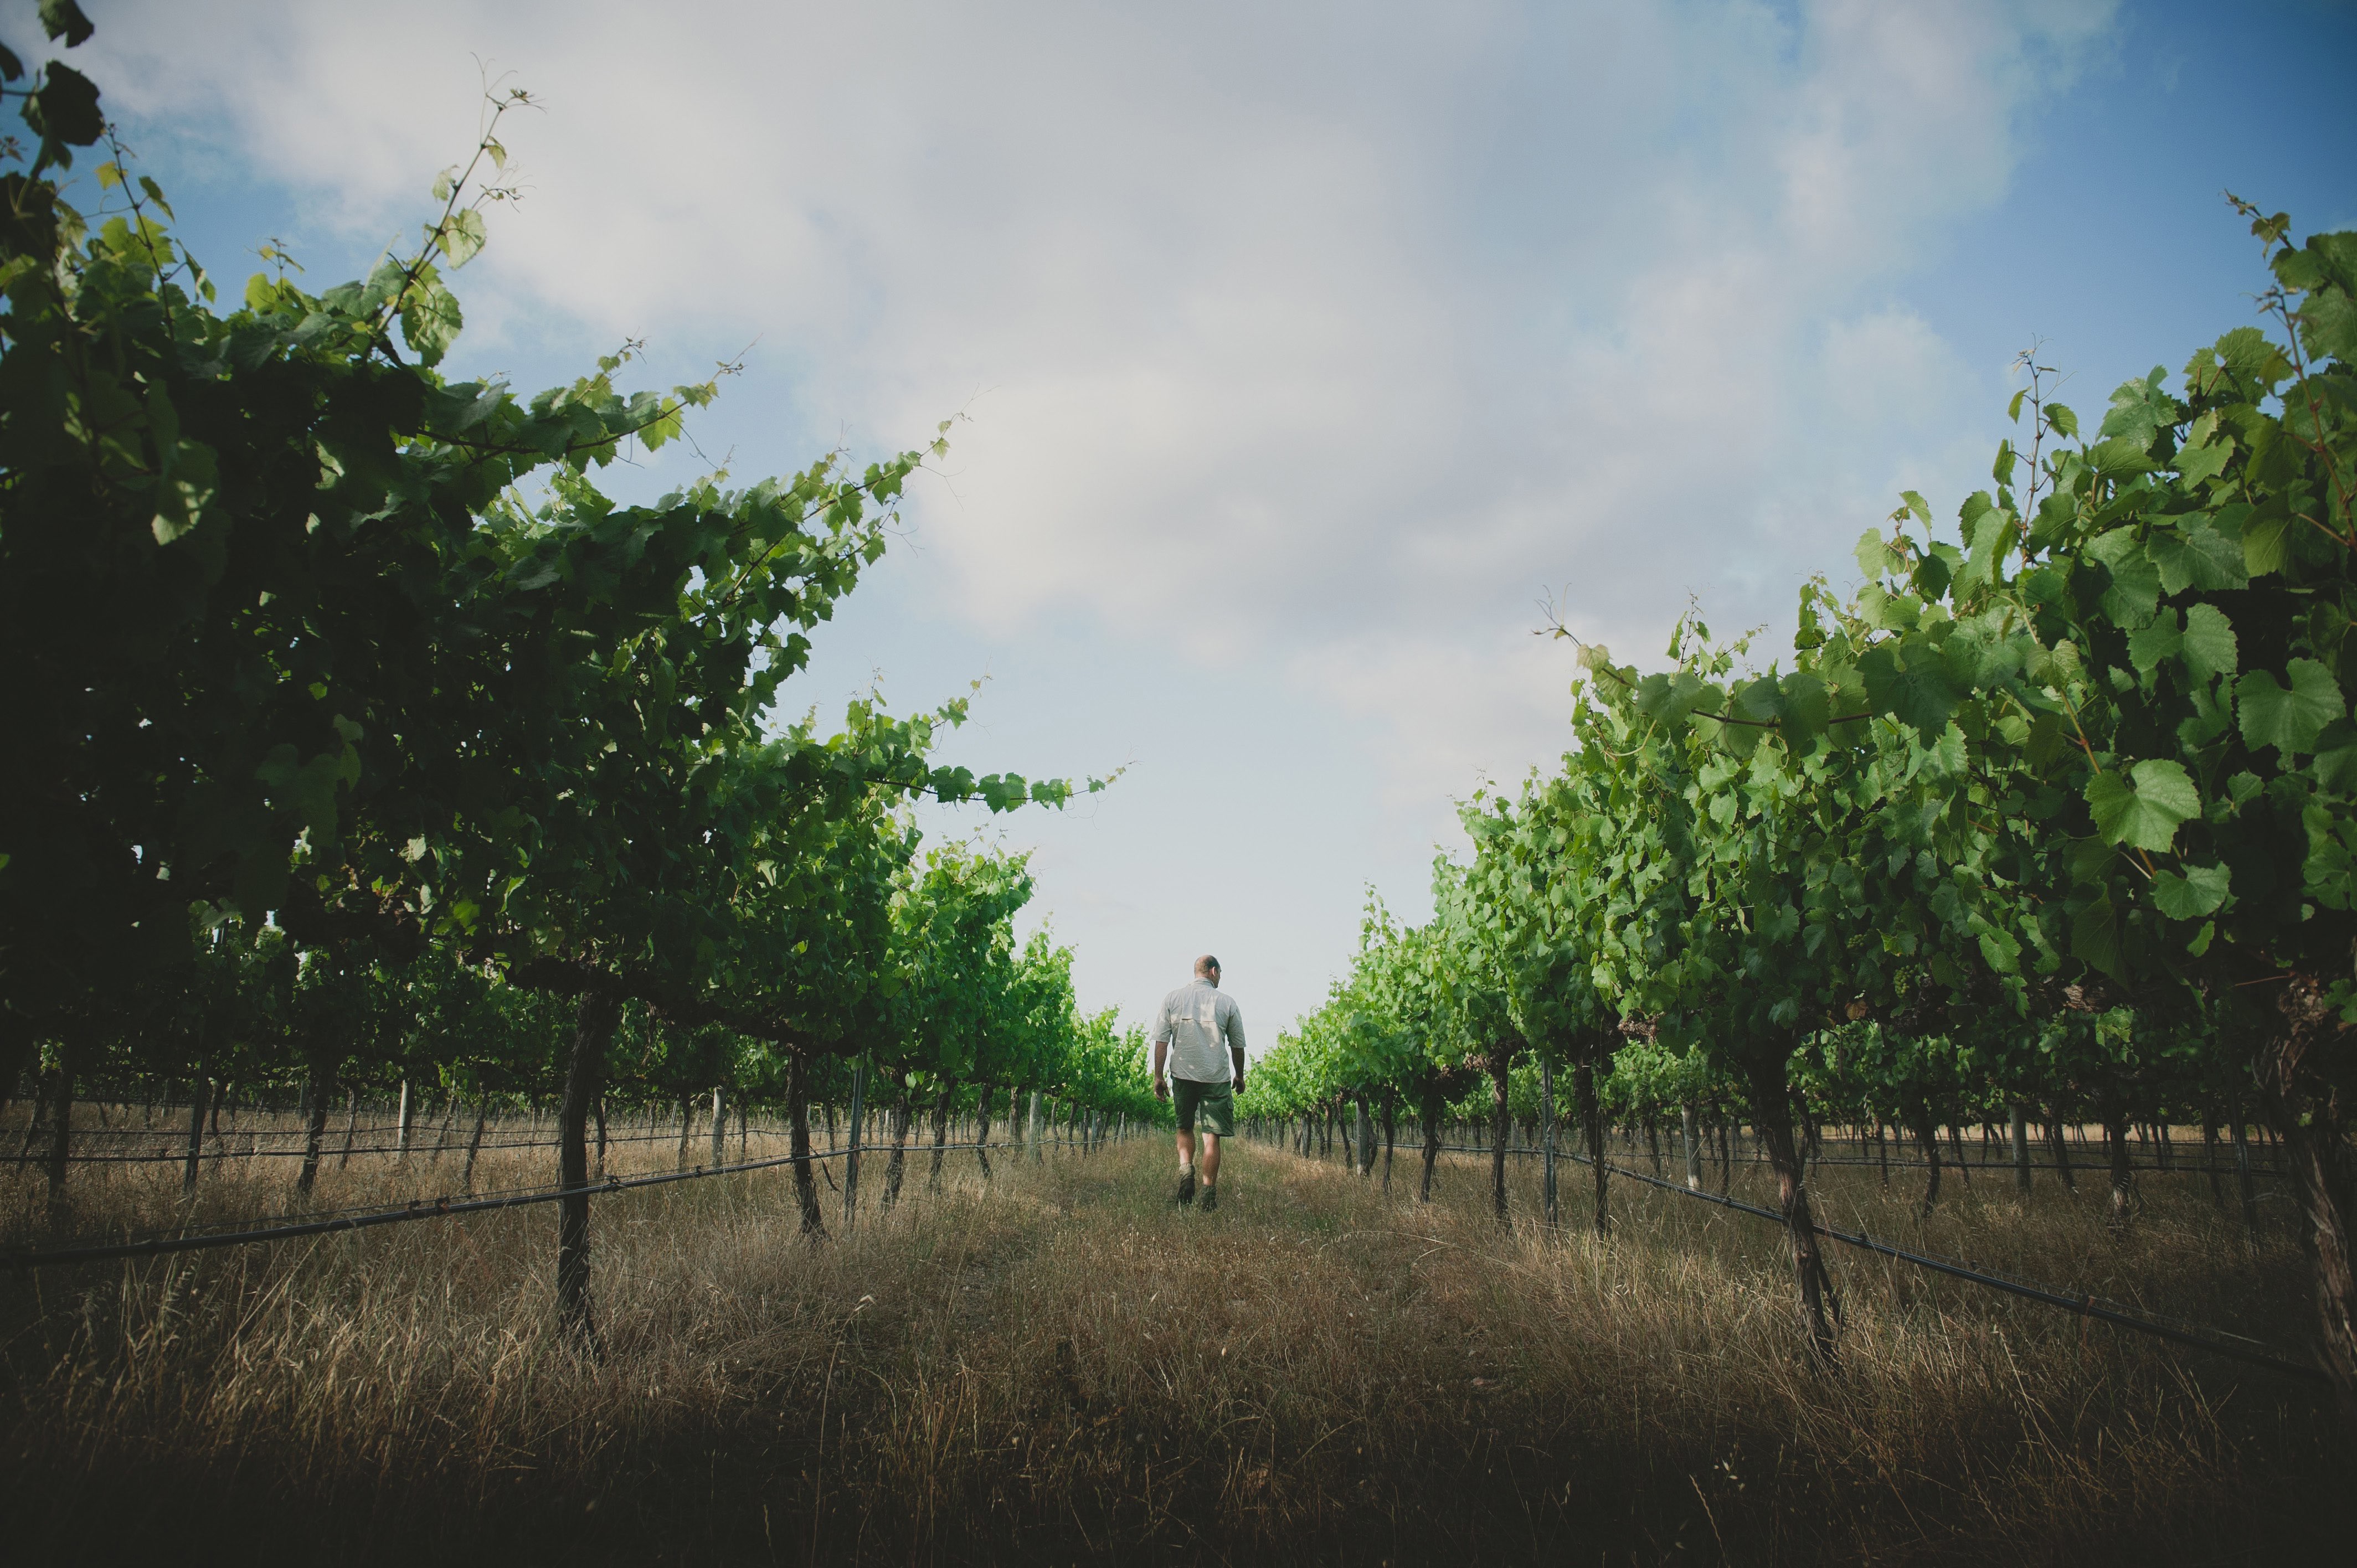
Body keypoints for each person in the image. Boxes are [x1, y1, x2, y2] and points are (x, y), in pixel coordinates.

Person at [1152, 954, 1247, 1211]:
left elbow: (1161, 1041)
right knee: (1211, 1137)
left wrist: (1159, 1076)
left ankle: (1186, 1172)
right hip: (1216, 1076)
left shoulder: (1173, 998)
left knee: (1184, 1128)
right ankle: (1208, 1194)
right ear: (1213, 972)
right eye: (1220, 973)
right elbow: (1237, 1044)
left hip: (1183, 1073)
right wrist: (1239, 1074)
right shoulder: (1227, 1002)